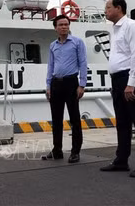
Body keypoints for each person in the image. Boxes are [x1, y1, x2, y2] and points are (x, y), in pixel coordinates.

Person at [100, 0, 135, 177]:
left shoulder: (132, 26)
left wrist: (130, 84)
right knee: (122, 123)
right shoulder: (114, 30)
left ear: (119, 8)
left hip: (130, 80)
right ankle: (121, 161)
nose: (105, 10)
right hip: (117, 80)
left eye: (108, 7)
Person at [43, 14, 87, 163]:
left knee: (74, 118)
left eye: (66, 24)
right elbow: (51, 66)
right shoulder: (53, 45)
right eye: (61, 25)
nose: (64, 27)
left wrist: (82, 84)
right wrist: (48, 85)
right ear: (55, 28)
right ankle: (57, 150)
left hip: (71, 83)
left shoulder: (77, 42)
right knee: (56, 119)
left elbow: (83, 63)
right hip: (56, 84)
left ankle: (75, 151)